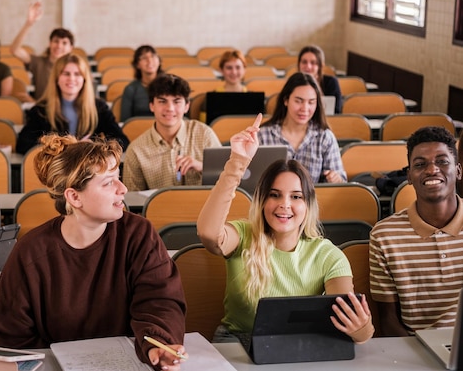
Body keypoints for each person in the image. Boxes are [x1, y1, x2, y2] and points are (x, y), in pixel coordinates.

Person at [0, 133, 187, 370]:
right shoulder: (30, 253)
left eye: (118, 177)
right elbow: (12, 338)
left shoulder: (138, 233)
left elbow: (160, 300)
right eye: (108, 182)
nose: (123, 189)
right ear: (74, 197)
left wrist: (158, 343)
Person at [196, 114, 374, 349]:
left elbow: (360, 331)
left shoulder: (327, 255)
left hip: (299, 342)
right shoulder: (243, 234)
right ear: (261, 200)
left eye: (296, 197)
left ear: (308, 205)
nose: (285, 205)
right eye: (274, 195)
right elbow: (208, 233)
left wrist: (360, 328)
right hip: (237, 341)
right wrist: (237, 162)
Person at [370, 126, 463, 336]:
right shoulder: (384, 236)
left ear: (458, 170)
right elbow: (388, 320)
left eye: (442, 161)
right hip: (418, 352)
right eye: (420, 164)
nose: (432, 170)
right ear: (409, 176)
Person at [123, 73, 221, 191]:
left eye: (176, 101)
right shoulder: (136, 150)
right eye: (162, 101)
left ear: (186, 106)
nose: (170, 108)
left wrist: (202, 167)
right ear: (152, 106)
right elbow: (132, 200)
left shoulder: (205, 135)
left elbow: (229, 180)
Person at [16, 53, 129, 154]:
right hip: (55, 173)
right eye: (66, 73)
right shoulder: (41, 109)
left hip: (88, 170)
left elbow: (122, 142)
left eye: (77, 74)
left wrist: (94, 146)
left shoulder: (99, 107)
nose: (71, 79)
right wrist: (60, 147)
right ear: (56, 78)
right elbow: (22, 145)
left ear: (84, 79)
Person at [258, 72, 346, 183]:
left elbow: (341, 182)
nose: (304, 108)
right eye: (298, 101)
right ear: (286, 100)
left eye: (311, 102)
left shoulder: (325, 137)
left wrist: (336, 179)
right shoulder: (263, 135)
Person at [10, 0, 74, 102]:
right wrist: (29, 23)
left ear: (71, 48)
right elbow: (15, 50)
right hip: (41, 112)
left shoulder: (75, 68)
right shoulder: (38, 63)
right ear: (50, 43)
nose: (59, 46)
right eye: (56, 41)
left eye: (64, 43)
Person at [120, 45, 163, 121]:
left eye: (153, 56)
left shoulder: (169, 87)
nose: (149, 61)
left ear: (159, 61)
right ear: (137, 64)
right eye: (144, 58)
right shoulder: (130, 89)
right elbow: (125, 121)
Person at [297, 45, 342, 114]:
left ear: (321, 66)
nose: (308, 66)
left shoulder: (331, 82)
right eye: (304, 62)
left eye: (313, 63)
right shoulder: (293, 83)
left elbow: (336, 112)